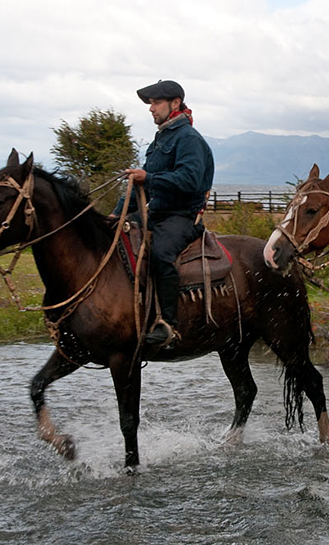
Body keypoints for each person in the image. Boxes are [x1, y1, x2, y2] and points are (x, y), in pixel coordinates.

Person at [110, 79, 215, 346]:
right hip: (155, 213)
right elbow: (139, 187)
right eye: (151, 103)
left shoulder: (189, 139)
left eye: (156, 102)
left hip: (182, 217)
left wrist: (150, 178)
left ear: (175, 103)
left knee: (161, 253)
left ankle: (168, 324)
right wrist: (117, 214)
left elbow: (190, 179)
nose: (151, 108)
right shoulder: (161, 139)